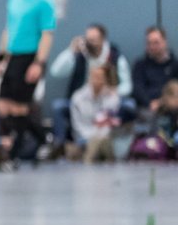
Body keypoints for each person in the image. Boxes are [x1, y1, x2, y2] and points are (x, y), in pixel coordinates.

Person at [0, 0, 56, 171]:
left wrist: (39, 63)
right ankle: (43, 137)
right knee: (3, 105)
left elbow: (47, 34)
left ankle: (14, 155)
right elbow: (9, 28)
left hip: (31, 56)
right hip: (14, 56)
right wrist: (1, 58)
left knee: (19, 107)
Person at [47, 23, 133, 156]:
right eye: (88, 39)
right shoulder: (79, 55)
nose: (90, 43)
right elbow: (55, 72)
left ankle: (119, 147)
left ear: (103, 39)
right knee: (58, 106)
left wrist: (113, 90)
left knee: (128, 105)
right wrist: (71, 50)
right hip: (83, 100)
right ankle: (60, 147)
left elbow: (127, 86)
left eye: (93, 39)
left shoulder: (115, 56)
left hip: (107, 100)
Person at [68, 64, 121, 163]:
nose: (97, 80)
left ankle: (91, 158)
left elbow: (110, 123)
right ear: (89, 77)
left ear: (105, 79)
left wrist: (98, 137)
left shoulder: (112, 98)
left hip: (105, 137)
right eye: (95, 76)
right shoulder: (78, 98)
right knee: (95, 143)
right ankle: (89, 159)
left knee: (104, 142)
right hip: (83, 136)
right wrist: (93, 137)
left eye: (101, 77)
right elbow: (77, 125)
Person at [132, 26, 178, 129]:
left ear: (165, 42)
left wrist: (163, 101)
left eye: (156, 42)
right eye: (149, 43)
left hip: (171, 105)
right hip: (147, 106)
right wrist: (149, 103)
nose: (152, 46)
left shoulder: (175, 65)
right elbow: (138, 88)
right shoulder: (140, 65)